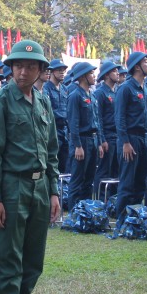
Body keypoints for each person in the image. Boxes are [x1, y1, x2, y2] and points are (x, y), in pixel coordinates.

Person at [0, 40, 60, 294]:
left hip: (39, 186)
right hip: (12, 187)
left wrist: (53, 191)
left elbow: (51, 150)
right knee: (10, 258)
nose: (23, 72)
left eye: (30, 66)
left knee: (33, 259)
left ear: (41, 70)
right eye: (17, 66)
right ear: (10, 68)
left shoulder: (42, 102)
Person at [114, 51, 147, 213]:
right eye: (146, 62)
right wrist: (125, 142)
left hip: (144, 138)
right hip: (130, 139)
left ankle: (135, 215)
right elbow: (120, 118)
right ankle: (121, 218)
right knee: (127, 181)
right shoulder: (125, 89)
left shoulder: (145, 89)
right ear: (137, 67)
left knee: (141, 181)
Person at [65, 62, 98, 209]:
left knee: (89, 179)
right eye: (91, 73)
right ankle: (73, 212)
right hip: (81, 140)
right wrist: (78, 145)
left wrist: (100, 141)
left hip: (93, 140)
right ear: (83, 76)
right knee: (77, 178)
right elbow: (73, 123)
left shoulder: (92, 95)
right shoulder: (75, 96)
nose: (94, 76)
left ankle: (86, 210)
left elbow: (97, 120)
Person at [92, 61, 121, 199]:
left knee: (115, 171)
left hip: (117, 136)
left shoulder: (116, 92)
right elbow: (99, 119)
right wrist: (102, 139)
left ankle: (112, 200)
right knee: (104, 170)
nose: (118, 74)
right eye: (115, 71)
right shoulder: (100, 93)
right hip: (107, 136)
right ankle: (100, 199)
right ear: (107, 74)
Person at [44, 59, 70, 173]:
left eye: (64, 70)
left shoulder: (65, 89)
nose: (62, 73)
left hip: (64, 130)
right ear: (52, 72)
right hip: (53, 129)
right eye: (59, 70)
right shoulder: (46, 89)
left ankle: (63, 188)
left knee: (65, 162)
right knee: (53, 161)